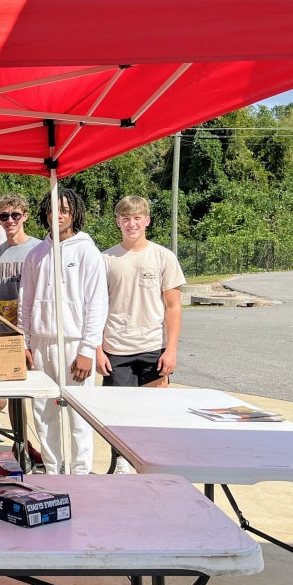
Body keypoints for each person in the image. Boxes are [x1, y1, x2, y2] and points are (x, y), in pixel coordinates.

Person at [20, 188, 108, 475]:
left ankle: (81, 472)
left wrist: (87, 350)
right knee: (44, 410)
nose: (57, 215)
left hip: (74, 342)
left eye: (64, 210)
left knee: (79, 412)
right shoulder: (36, 254)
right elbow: (26, 301)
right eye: (52, 209)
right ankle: (53, 469)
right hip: (42, 343)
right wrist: (25, 343)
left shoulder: (87, 251)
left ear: (74, 214)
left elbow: (97, 302)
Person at [96, 195, 186, 474]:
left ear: (147, 220)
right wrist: (97, 349)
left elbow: (173, 306)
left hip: (152, 347)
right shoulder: (105, 259)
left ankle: (152, 465)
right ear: (117, 222)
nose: (131, 223)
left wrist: (170, 349)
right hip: (116, 348)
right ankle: (121, 461)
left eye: (137, 218)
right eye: (125, 218)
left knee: (152, 414)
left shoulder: (163, 257)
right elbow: (96, 307)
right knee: (118, 415)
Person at [0, 193, 41, 440]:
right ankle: (5, 437)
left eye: (15, 215)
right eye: (4, 216)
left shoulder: (38, 248)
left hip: (29, 330)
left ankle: (30, 443)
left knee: (31, 392)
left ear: (25, 216)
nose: (10, 221)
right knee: (1, 386)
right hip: (1, 329)